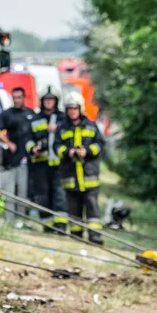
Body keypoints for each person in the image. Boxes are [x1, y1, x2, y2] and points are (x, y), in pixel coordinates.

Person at [55, 94, 105, 244]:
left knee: (92, 208)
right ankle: (76, 236)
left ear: (80, 109)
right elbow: (56, 146)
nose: (72, 111)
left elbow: (100, 145)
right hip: (70, 176)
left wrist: (87, 151)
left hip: (89, 176)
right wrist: (67, 152)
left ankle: (95, 236)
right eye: (69, 108)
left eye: (74, 108)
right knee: (73, 208)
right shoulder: (62, 128)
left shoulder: (91, 126)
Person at [0, 86, 35, 223]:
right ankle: (9, 220)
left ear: (24, 98)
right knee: (9, 192)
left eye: (19, 97)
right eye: (14, 98)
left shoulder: (30, 113)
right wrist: (8, 142)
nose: (16, 100)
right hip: (10, 160)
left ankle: (20, 220)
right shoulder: (7, 114)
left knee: (23, 191)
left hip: (26, 159)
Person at [26, 89, 69, 232]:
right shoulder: (35, 118)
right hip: (41, 164)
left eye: (51, 99)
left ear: (56, 101)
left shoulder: (63, 118)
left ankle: (61, 226)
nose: (49, 102)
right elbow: (28, 140)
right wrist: (33, 149)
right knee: (42, 194)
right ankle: (47, 226)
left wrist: (57, 130)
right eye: (46, 100)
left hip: (59, 164)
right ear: (42, 101)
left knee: (60, 194)